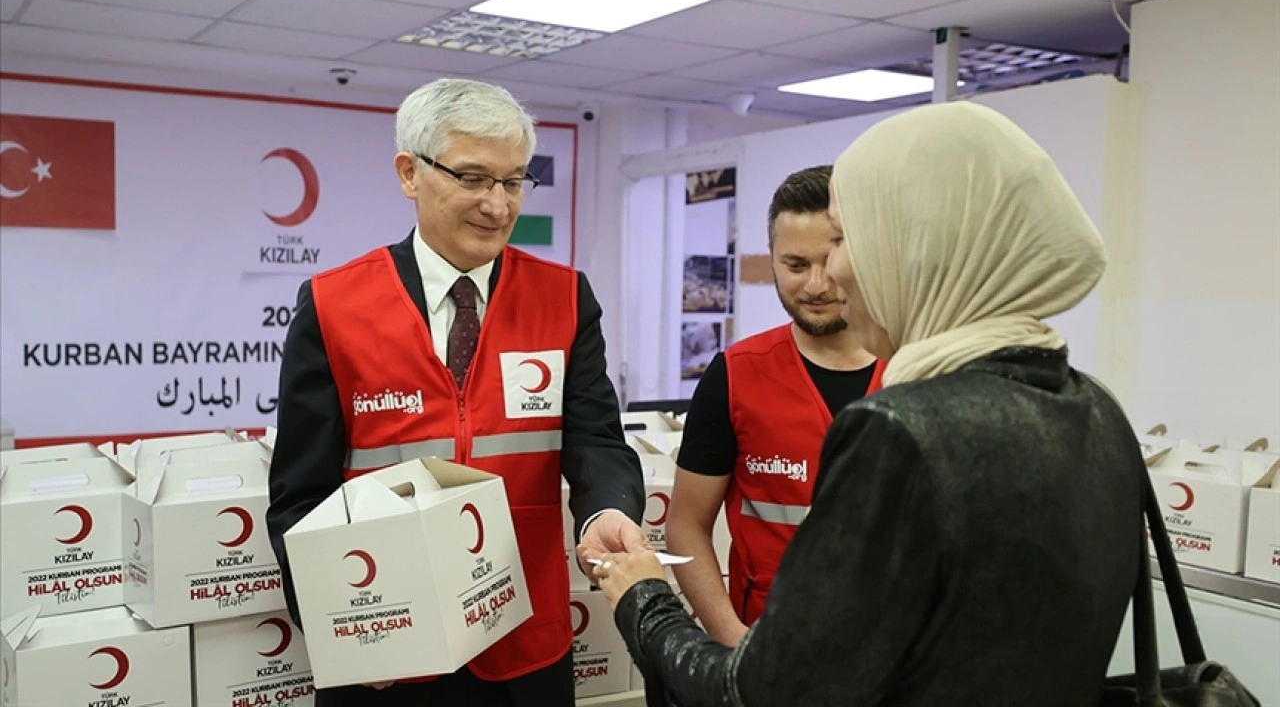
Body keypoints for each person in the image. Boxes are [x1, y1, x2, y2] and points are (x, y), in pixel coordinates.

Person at [586, 101, 1147, 706]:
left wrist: (645, 597)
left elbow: (763, 692)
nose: (832, 273)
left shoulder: (905, 431)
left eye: (849, 238)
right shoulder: (1097, 409)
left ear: (921, 251)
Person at [265, 78, 647, 707]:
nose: (497, 205)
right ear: (409, 174)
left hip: (526, 648)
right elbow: (300, 496)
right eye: (473, 178)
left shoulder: (564, 299)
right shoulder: (334, 305)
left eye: (514, 181)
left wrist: (608, 510)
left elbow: (598, 444)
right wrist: (340, 625)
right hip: (388, 648)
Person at [667, 165, 884, 647]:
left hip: (894, 651)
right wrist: (733, 641)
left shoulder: (919, 370)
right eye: (796, 265)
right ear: (772, 259)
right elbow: (685, 524)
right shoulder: (735, 376)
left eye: (831, 261)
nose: (816, 285)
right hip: (768, 644)